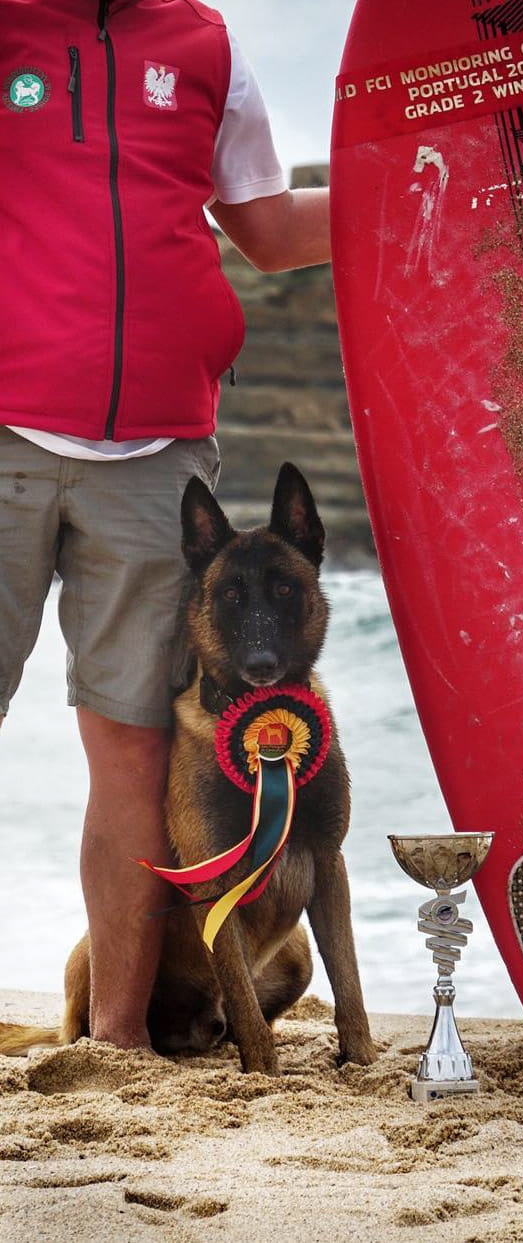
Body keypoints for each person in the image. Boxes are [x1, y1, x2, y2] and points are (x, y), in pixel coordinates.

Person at [0, 0, 331, 1050]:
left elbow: (269, 230)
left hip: (156, 463)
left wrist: (426, 174)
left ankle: (116, 1039)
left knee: (137, 754)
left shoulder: (207, 47)